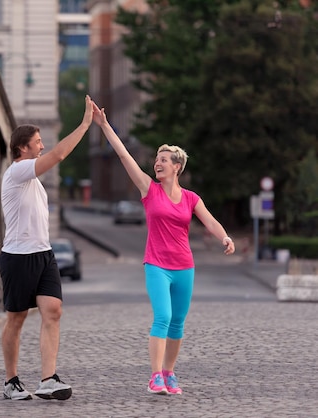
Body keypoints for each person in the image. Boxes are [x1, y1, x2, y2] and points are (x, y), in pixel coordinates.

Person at [91, 100, 235, 395]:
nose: (158, 163)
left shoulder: (191, 198)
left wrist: (225, 238)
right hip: (157, 265)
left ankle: (169, 373)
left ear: (177, 167)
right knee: (163, 317)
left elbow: (210, 221)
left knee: (178, 323)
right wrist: (105, 125)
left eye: (164, 160)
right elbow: (123, 155)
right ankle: (155, 375)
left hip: (184, 266)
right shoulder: (148, 189)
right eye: (156, 159)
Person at [0, 95, 94, 401]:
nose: (42, 145)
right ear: (23, 147)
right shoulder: (17, 172)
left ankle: (48, 379)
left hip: (43, 254)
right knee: (17, 318)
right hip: (17, 256)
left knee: (53, 311)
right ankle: (11, 381)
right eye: (38, 142)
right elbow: (59, 155)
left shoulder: (31, 180)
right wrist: (85, 124)